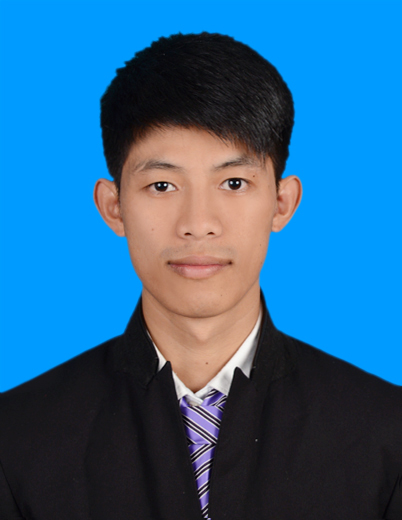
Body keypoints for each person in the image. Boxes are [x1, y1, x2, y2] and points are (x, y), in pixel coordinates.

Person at [0, 32, 401, 520]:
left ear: (282, 202)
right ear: (113, 206)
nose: (197, 223)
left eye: (233, 182)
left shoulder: (386, 436)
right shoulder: (16, 440)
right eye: (161, 185)